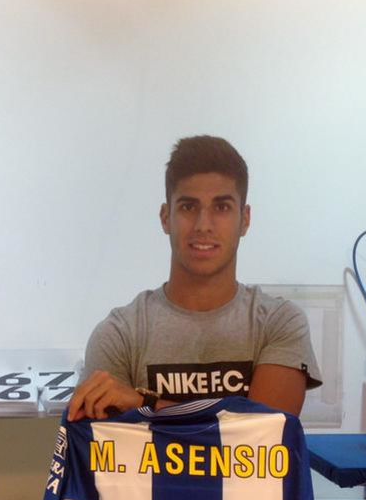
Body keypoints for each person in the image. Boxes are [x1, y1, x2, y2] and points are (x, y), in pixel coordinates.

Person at [68, 135, 322, 421]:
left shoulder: (279, 323)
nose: (203, 225)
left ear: (245, 219)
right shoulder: (119, 335)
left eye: (221, 207)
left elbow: (262, 436)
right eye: (188, 207)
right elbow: (103, 449)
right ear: (166, 217)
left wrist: (143, 403)